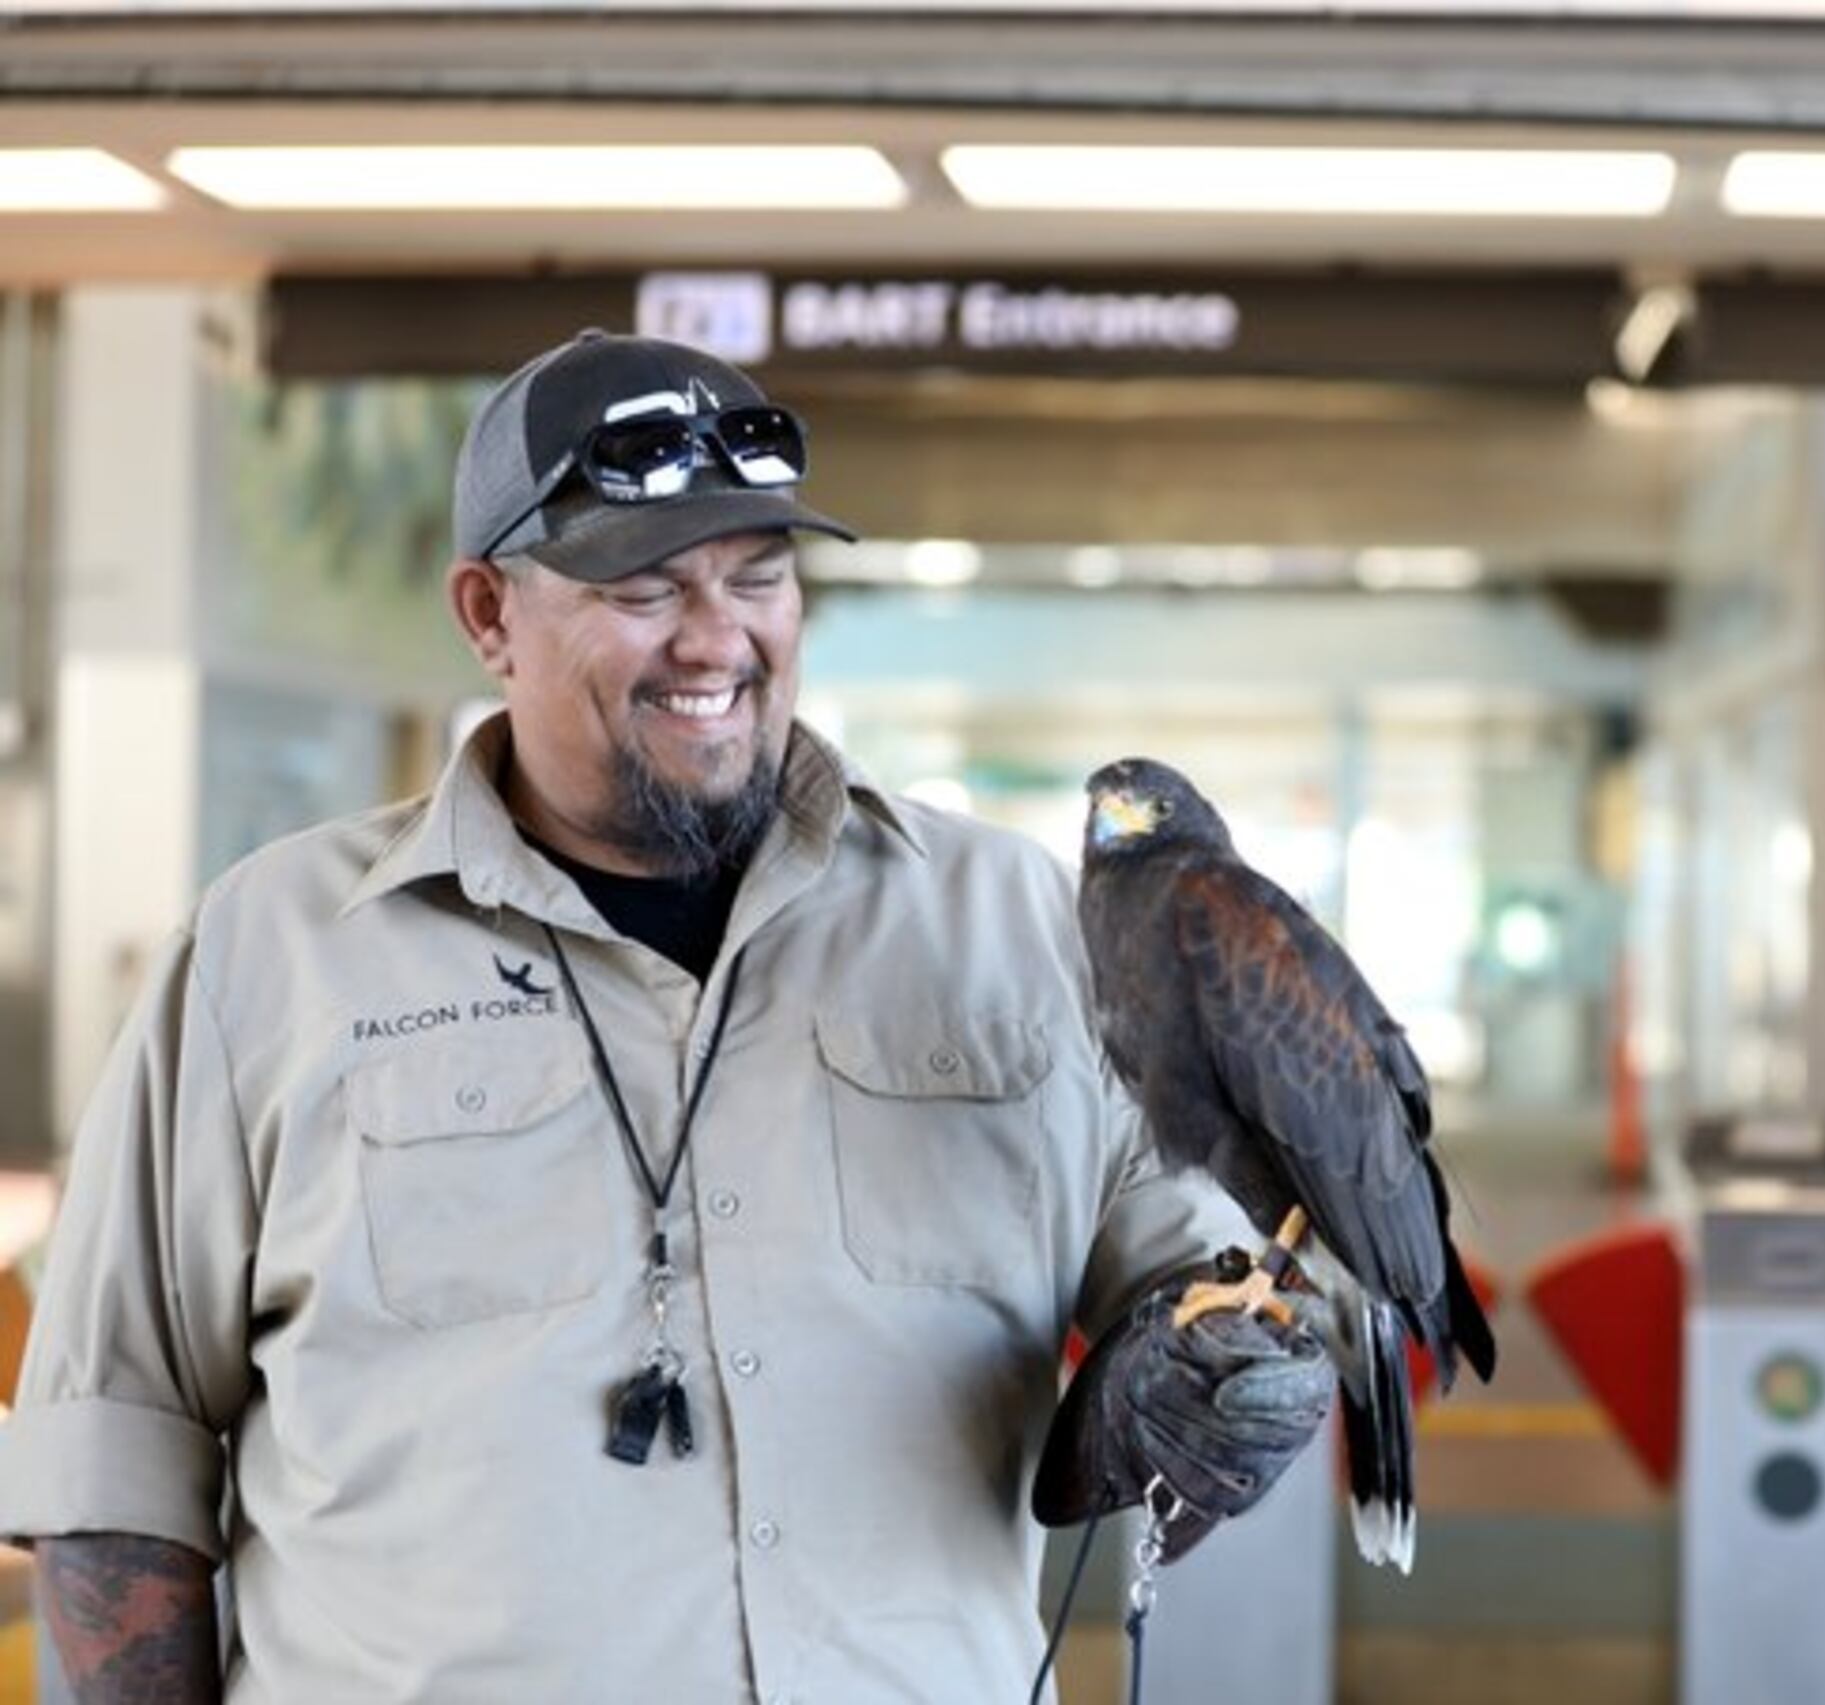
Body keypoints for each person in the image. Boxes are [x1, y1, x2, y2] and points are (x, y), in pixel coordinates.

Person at [0, 331, 1329, 1701]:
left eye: (759, 574)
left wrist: (1210, 1368)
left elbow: (1190, 1280)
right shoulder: (269, 953)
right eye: (644, 585)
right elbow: (116, 1462)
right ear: (487, 614)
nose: (717, 636)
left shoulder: (1021, 925)